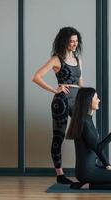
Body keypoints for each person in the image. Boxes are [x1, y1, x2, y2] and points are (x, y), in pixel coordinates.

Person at [32, 27, 83, 184]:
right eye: (71, 41)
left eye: (76, 41)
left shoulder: (78, 58)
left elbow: (81, 83)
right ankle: (60, 174)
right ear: (64, 41)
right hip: (61, 101)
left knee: (85, 134)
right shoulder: (56, 59)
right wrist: (55, 89)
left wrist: (87, 99)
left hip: (78, 99)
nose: (75, 44)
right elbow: (36, 77)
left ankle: (87, 169)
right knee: (58, 136)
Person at [66, 87, 111, 190]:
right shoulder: (84, 122)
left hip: (90, 168)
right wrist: (108, 165)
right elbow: (98, 148)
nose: (99, 100)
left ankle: (87, 184)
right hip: (87, 172)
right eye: (96, 98)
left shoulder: (87, 120)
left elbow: (95, 146)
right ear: (88, 101)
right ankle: (87, 186)